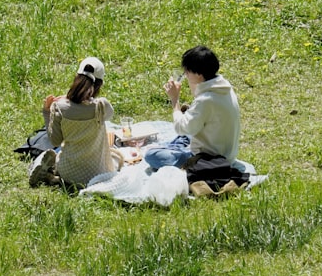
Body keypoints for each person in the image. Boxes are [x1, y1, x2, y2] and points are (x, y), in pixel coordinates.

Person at [29, 57, 122, 188]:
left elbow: (55, 140)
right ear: (99, 85)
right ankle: (54, 176)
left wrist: (47, 112)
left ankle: (52, 173)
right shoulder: (102, 106)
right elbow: (109, 115)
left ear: (76, 78)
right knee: (117, 157)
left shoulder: (60, 107)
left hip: (68, 172)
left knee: (58, 151)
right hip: (99, 174)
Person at [144, 45, 240, 170]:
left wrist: (175, 100)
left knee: (151, 155)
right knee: (187, 133)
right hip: (226, 151)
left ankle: (175, 147)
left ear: (199, 74)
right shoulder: (223, 87)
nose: (185, 75)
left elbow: (180, 128)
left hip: (208, 160)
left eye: (187, 72)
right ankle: (176, 146)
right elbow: (199, 102)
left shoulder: (205, 101)